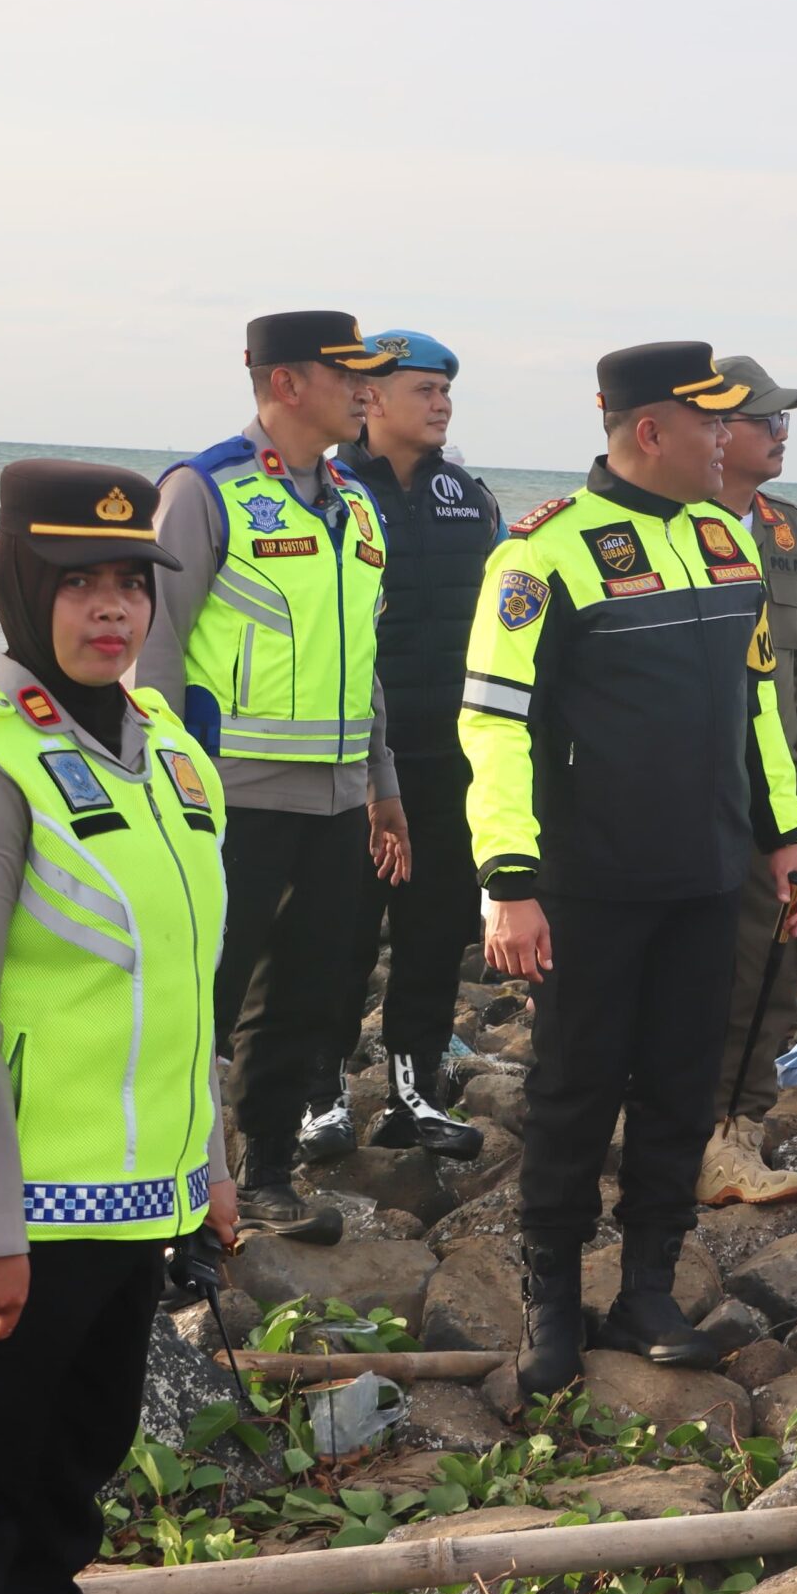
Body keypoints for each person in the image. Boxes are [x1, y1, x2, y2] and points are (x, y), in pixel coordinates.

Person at [0, 461, 235, 1594]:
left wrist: (209, 1160)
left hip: (128, 1206)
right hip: (1, 1223)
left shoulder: (167, 746)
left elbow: (181, 979)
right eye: (79, 582)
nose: (113, 606)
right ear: (18, 586)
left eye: (131, 580)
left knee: (64, 1495)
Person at [459, 342, 797, 1396]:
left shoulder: (727, 541)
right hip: (587, 884)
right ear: (648, 429)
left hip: (706, 876)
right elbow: (493, 724)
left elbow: (755, 711)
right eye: (709, 424)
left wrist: (783, 834)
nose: (726, 440)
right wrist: (509, 880)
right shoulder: (544, 555)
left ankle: (648, 1291)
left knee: (677, 1089)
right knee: (574, 1094)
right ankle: (553, 1306)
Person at [138, 311, 408, 1243]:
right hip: (228, 802)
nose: (366, 390)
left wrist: (386, 787)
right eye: (351, 375)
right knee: (202, 990)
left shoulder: (357, 505)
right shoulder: (202, 490)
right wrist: (163, 786)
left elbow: (361, 659)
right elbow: (153, 650)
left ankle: (266, 1172)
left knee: (309, 990)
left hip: (337, 803)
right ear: (287, 383)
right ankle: (173, 1177)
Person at [303, 329, 497, 1162]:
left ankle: (416, 1089)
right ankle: (318, 1094)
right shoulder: (327, 490)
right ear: (371, 397)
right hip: (351, 759)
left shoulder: (470, 496)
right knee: (337, 930)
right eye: (425, 390)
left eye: (447, 391)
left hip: (448, 758)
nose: (443, 404)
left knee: (434, 928)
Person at [699, 354, 797, 1208]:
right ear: (717, 430)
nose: (780, 433)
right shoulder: (672, 526)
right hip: (688, 782)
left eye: (784, 419)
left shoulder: (788, 531)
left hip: (779, 786)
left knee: (770, 955)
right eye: (767, 419)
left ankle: (733, 1134)